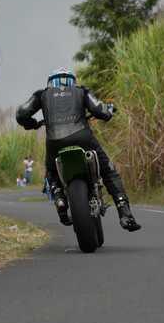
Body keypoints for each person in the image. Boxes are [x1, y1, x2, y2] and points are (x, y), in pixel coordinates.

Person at [15, 68, 141, 231]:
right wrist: (108, 111)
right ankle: (125, 213)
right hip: (83, 138)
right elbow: (99, 109)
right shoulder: (81, 91)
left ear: (50, 82)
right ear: (72, 81)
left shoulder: (42, 94)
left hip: (54, 142)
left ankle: (60, 199)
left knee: (51, 171)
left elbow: (21, 114)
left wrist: (31, 124)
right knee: (108, 170)